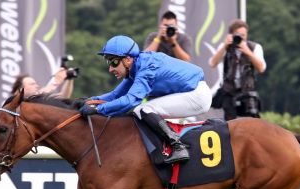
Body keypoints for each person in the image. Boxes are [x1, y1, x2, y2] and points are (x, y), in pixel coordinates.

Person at [79, 35, 212, 164]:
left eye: (113, 62)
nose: (110, 68)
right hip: (192, 92)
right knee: (142, 109)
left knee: (143, 109)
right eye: (108, 62)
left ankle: (178, 146)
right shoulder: (135, 68)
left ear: (127, 60)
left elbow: (130, 101)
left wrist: (98, 108)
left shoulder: (146, 69)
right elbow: (115, 95)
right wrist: (90, 100)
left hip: (197, 95)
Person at [209, 19, 266, 120]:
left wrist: (248, 52)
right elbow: (212, 63)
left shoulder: (254, 47)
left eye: (243, 35)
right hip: (229, 92)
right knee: (230, 125)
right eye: (238, 34)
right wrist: (225, 46)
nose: (241, 38)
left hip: (247, 91)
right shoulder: (225, 47)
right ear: (231, 35)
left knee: (251, 123)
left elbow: (261, 68)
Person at [11, 67, 75, 98]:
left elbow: (64, 96)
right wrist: (56, 80)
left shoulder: (39, 99)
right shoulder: (16, 104)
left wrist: (69, 78)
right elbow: (40, 93)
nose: (37, 86)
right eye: (32, 84)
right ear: (21, 89)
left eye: (35, 83)